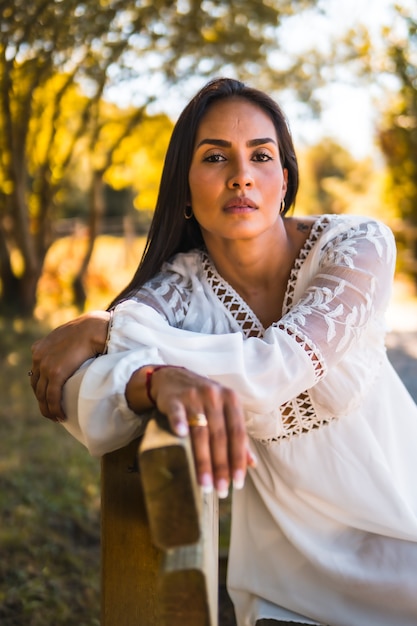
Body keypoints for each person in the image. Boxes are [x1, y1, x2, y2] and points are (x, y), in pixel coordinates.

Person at [30, 77, 417, 626]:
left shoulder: (354, 247)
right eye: (215, 157)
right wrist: (152, 380)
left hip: (410, 555)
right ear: (184, 191)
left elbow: (274, 368)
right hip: (290, 597)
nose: (241, 176)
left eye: (261, 155)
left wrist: (109, 333)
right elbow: (72, 388)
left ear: (284, 180)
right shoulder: (179, 293)